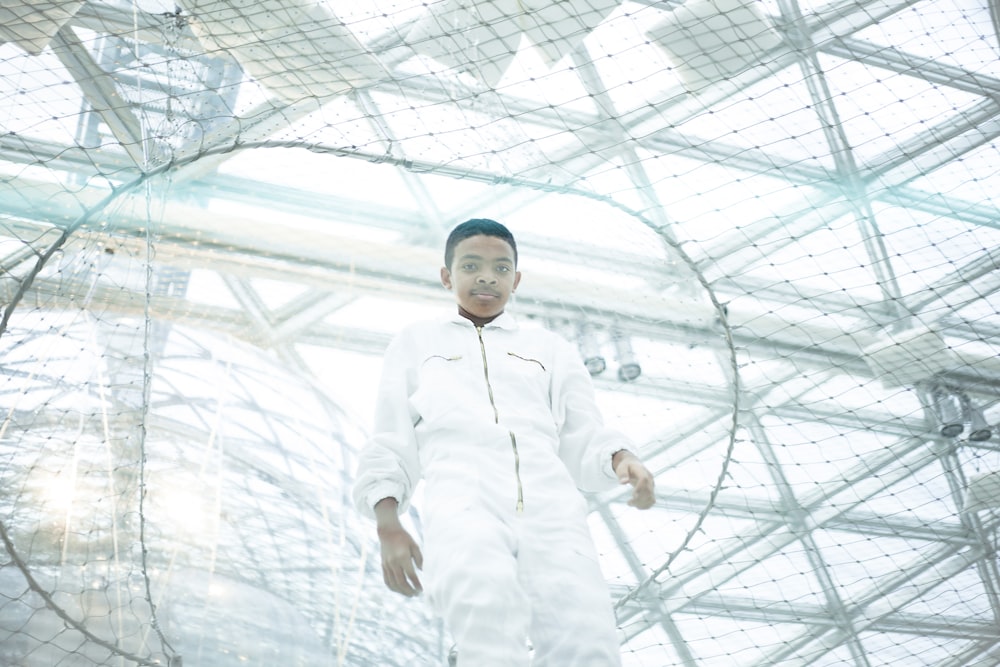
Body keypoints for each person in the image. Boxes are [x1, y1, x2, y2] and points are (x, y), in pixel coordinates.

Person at [353, 218, 656, 666]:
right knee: (487, 623)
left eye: (500, 268)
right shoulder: (417, 343)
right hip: (463, 503)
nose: (486, 277)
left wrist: (621, 457)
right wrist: (387, 522)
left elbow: (582, 431)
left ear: (516, 279)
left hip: (553, 511)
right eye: (471, 265)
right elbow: (391, 441)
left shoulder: (549, 348)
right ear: (446, 275)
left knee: (587, 642)